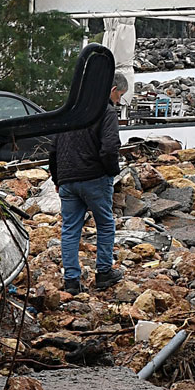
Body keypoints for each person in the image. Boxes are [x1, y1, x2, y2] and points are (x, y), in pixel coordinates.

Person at [51, 71, 127, 293]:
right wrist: (111, 172)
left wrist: (57, 178)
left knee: (70, 229)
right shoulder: (106, 111)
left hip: (67, 180)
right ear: (112, 90)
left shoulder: (70, 112)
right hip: (95, 178)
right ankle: (104, 272)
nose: (119, 101)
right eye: (120, 95)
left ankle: (72, 281)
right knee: (104, 224)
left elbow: (53, 149)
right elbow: (110, 148)